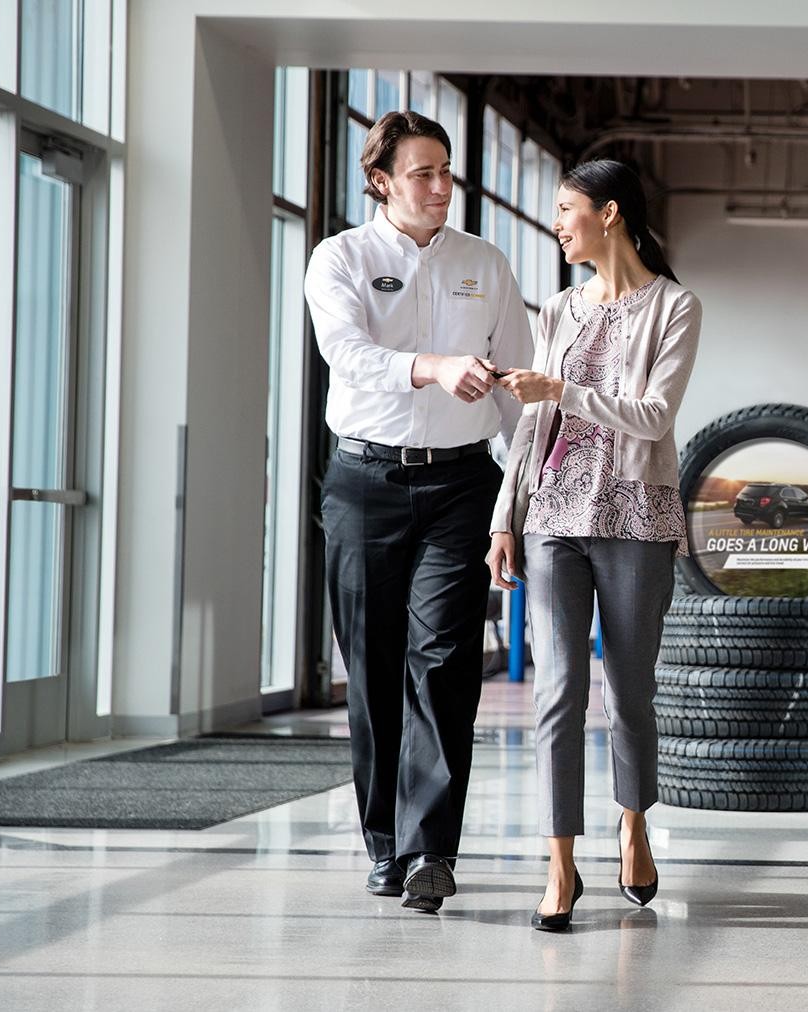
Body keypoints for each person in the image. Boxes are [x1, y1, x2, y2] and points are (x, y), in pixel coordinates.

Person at [304, 111, 532, 913]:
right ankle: (383, 845)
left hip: (463, 488)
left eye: (447, 172)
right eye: (423, 175)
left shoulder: (485, 263)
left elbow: (519, 394)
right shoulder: (340, 259)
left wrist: (521, 497)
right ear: (381, 182)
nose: (441, 188)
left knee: (442, 664)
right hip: (364, 481)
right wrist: (432, 367)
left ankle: (431, 848)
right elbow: (349, 357)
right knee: (371, 667)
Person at [485, 159, 702, 931]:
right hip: (552, 519)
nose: (557, 222)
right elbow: (534, 428)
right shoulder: (559, 311)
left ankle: (634, 823)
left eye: (567, 209)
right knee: (557, 693)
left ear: (609, 214)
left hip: (637, 519)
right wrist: (503, 520)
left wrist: (562, 391)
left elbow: (651, 416)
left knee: (630, 692)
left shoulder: (674, 308)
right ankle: (560, 866)